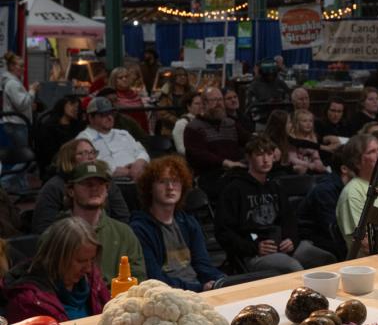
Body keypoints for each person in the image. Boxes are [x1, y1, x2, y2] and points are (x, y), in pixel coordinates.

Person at [216, 135, 334, 275]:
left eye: (269, 154)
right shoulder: (234, 189)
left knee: (328, 259)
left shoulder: (275, 187)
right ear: (249, 157)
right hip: (254, 252)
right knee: (292, 267)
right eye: (259, 155)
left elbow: (289, 219)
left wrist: (291, 239)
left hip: (281, 245)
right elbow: (223, 231)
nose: (265, 160)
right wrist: (253, 247)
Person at [130, 155, 224, 292]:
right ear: (150, 187)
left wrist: (221, 280)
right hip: (166, 296)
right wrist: (199, 288)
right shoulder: (140, 229)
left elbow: (203, 266)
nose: (170, 187)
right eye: (163, 181)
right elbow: (154, 279)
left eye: (175, 181)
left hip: (198, 290)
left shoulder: (189, 223)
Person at [2, 216, 108, 323]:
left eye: (92, 260)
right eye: (81, 261)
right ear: (57, 257)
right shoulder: (27, 303)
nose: (89, 269)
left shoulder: (93, 280)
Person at [64, 160, 147, 283]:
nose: (95, 189)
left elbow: (138, 279)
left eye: (101, 184)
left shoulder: (124, 233)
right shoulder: (57, 235)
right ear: (71, 190)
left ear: (107, 190)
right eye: (87, 184)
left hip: (118, 300)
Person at [31, 139, 130, 233]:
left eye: (92, 152)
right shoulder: (54, 187)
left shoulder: (106, 181)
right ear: (69, 159)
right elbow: (43, 228)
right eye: (82, 153)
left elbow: (122, 217)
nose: (90, 157)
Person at [184, 86, 249, 196]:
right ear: (203, 104)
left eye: (220, 100)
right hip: (210, 176)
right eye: (214, 100)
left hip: (236, 172)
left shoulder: (231, 123)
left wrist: (270, 148)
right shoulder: (193, 127)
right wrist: (225, 162)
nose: (219, 104)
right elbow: (198, 155)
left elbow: (249, 140)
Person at [76, 96, 149, 180]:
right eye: (103, 115)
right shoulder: (84, 139)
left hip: (139, 177)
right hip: (108, 182)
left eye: (111, 113)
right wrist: (116, 171)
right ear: (91, 118)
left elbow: (142, 151)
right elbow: (87, 166)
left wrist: (140, 162)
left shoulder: (123, 133)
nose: (109, 118)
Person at [300, 147, 353, 260]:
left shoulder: (353, 187)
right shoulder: (325, 190)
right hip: (314, 238)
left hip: (329, 235)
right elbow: (333, 229)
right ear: (344, 169)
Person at [34, 95, 85, 175]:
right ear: (62, 105)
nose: (75, 109)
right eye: (72, 105)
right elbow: (47, 154)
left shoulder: (78, 126)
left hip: (77, 162)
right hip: (55, 165)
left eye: (77, 107)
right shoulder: (48, 127)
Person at [0, 51, 37, 151]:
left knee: (21, 155)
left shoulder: (14, 82)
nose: (23, 69)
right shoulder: (12, 84)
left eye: (23, 66)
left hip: (16, 124)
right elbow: (21, 105)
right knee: (23, 156)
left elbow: (20, 102)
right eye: (20, 66)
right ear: (12, 67)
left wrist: (30, 105)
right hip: (16, 125)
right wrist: (32, 90)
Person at [108, 66, 149, 134]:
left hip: (138, 133)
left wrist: (146, 134)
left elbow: (143, 118)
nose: (124, 79)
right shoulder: (111, 96)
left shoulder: (135, 95)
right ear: (114, 80)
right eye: (120, 78)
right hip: (120, 133)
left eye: (126, 76)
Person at [287, 110, 327, 174]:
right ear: (297, 123)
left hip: (311, 166)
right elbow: (292, 159)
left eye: (310, 121)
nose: (308, 124)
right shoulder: (293, 138)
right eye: (304, 121)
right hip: (297, 167)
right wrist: (309, 165)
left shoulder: (313, 137)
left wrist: (318, 163)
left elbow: (316, 156)